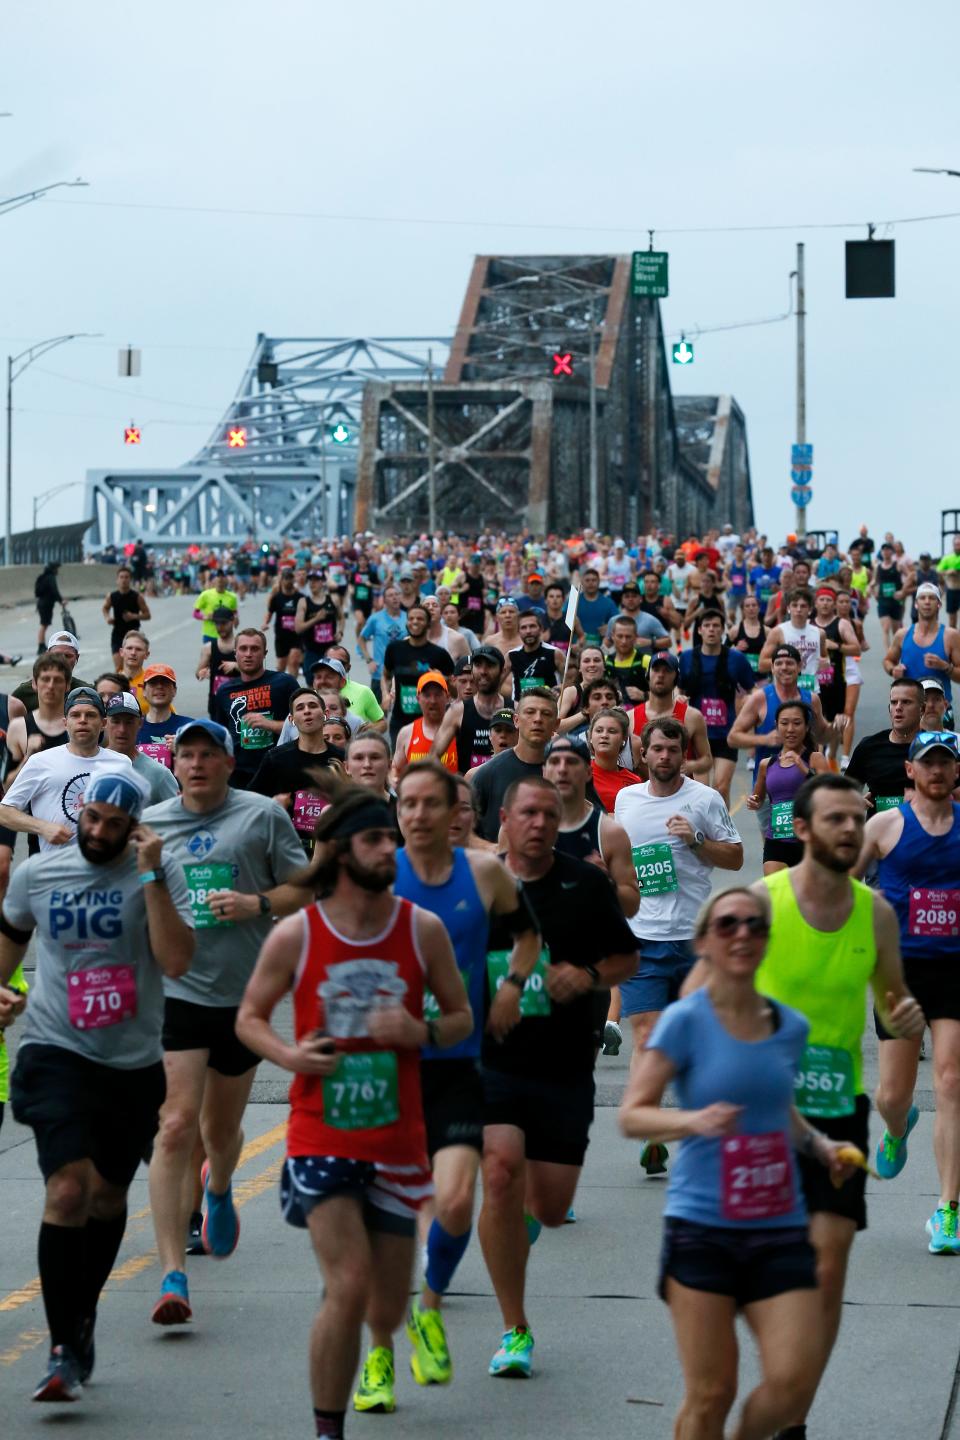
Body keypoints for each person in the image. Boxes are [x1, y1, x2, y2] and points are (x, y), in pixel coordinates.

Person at [235, 781, 471, 1435]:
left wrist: (419, 1032)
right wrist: (290, 1057)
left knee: (384, 1306)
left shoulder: (421, 930)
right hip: (320, 1131)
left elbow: (460, 1019)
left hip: (399, 1138)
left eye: (391, 837)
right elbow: (249, 1019)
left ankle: (360, 1326)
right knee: (350, 1281)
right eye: (375, 838)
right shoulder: (298, 935)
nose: (389, 848)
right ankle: (327, 1428)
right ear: (340, 850)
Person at [620, 887, 853, 1440]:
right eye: (727, 925)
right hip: (703, 1229)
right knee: (711, 1393)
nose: (743, 933)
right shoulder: (684, 1021)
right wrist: (691, 1122)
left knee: (794, 1381)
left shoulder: (790, 1026)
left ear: (767, 941)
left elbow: (776, 1107)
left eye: (754, 925)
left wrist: (818, 1147)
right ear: (703, 942)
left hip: (779, 1229)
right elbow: (632, 1115)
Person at [2, 768, 194, 1402]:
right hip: (56, 1051)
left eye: (115, 825)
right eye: (92, 820)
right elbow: (7, 947)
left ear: (133, 827)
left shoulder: (154, 877)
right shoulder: (38, 875)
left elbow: (176, 961)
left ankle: (79, 1318)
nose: (100, 833)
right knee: (66, 1190)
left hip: (131, 1063)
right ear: (79, 813)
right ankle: (61, 1350)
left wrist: (150, 875)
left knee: (108, 1198)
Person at [145, 719, 309, 1326]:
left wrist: (256, 904)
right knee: (174, 1125)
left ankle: (217, 1188)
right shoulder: (154, 824)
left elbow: (303, 888)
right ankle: (172, 1274)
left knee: (220, 1132)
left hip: (243, 996)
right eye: (185, 754)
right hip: (177, 991)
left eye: (207, 754)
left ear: (226, 761)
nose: (194, 764)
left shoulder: (262, 816)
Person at [478, 776, 638, 1377]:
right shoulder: (476, 881)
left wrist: (589, 974)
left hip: (565, 1063)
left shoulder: (587, 883)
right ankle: (515, 1328)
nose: (541, 823)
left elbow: (628, 958)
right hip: (491, 1060)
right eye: (528, 813)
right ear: (506, 819)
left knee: (547, 1207)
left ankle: (520, 1222)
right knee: (498, 1172)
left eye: (550, 813)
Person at [392, 761, 540, 1389]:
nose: (425, 816)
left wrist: (510, 985)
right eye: (412, 804)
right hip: (384, 1063)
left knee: (454, 1200)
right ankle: (382, 1348)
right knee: (400, 1211)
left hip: (455, 1058)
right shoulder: (377, 872)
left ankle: (427, 1306)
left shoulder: (485, 873)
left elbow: (527, 936)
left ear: (462, 812)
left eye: (440, 805)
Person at [614, 715, 743, 1176]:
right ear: (643, 753)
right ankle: (653, 1131)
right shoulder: (626, 800)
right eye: (657, 749)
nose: (665, 757)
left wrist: (698, 840)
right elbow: (615, 858)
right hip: (643, 939)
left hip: (694, 940)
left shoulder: (704, 800)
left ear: (684, 754)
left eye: (673, 749)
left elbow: (736, 856)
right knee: (647, 1038)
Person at [857, 732, 960, 1251]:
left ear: (957, 771)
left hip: (956, 971)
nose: (938, 771)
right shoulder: (885, 825)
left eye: (947, 763)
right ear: (911, 770)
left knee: (950, 1078)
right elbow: (845, 888)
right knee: (894, 1096)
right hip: (901, 972)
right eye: (929, 763)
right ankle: (898, 1128)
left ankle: (948, 1209)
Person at [0, 688, 135, 853]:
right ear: (65, 723)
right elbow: (4, 812)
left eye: (91, 715)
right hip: (58, 870)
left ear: (103, 724)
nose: (82, 720)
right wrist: (42, 827)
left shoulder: (121, 763)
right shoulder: (41, 762)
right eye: (75, 715)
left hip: (107, 869)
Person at [248, 688, 344, 850]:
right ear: (291, 720)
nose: (307, 711)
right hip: (289, 849)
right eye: (300, 708)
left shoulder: (342, 758)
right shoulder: (276, 758)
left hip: (333, 848)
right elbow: (251, 802)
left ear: (326, 714)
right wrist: (272, 805)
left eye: (312, 706)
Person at [679, 608, 755, 806]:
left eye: (716, 626)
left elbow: (752, 690)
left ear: (723, 631)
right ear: (699, 631)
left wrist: (748, 708)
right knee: (701, 792)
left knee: (721, 788)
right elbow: (678, 689)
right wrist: (678, 697)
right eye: (707, 626)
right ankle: (703, 835)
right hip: (696, 734)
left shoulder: (736, 659)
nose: (711, 630)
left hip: (725, 733)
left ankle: (724, 834)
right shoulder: (687, 658)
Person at [210, 628, 300, 788]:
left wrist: (269, 725)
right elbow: (220, 736)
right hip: (238, 775)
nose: (248, 654)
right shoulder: (224, 691)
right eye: (243, 649)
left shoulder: (284, 683)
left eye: (255, 649)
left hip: (277, 770)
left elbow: (305, 727)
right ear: (235, 653)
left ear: (264, 653)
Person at [747, 701, 830, 873]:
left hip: (808, 840)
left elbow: (829, 793)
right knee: (776, 894)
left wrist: (804, 768)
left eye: (797, 723)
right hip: (776, 840)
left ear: (807, 727)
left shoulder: (815, 759)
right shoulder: (766, 764)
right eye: (784, 723)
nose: (790, 729)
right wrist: (753, 801)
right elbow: (758, 798)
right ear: (777, 727)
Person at [468, 689, 558, 842]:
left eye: (546, 714)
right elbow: (463, 831)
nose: (537, 719)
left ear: (556, 724)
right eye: (530, 712)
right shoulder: (488, 773)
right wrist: (492, 850)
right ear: (516, 720)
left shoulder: (567, 772)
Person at [845, 678, 924, 817]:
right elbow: (844, 792)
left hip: (922, 833)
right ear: (889, 708)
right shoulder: (869, 747)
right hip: (879, 834)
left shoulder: (934, 748)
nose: (898, 707)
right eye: (894, 702)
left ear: (922, 709)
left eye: (906, 702)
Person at [427, 645, 509, 774]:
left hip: (505, 790)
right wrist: (455, 783)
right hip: (470, 791)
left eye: (490, 665)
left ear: (503, 671)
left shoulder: (514, 709)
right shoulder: (457, 711)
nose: (483, 671)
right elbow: (432, 757)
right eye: (478, 665)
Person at [885, 582, 959, 723]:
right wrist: (893, 670)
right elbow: (888, 660)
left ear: (939, 604)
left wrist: (945, 666)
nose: (927, 602)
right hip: (908, 710)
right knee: (907, 746)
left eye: (932, 598)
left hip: (939, 710)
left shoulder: (951, 636)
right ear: (916, 604)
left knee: (939, 746)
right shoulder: (902, 634)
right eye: (922, 598)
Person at [381, 604, 455, 746]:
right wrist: (385, 694)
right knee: (401, 765)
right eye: (411, 618)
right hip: (400, 721)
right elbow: (385, 675)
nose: (415, 622)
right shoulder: (395, 649)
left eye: (420, 619)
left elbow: (457, 692)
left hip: (432, 722)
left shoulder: (439, 654)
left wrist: (444, 680)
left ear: (428, 624)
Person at [104, 692, 181, 806]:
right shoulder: (91, 765)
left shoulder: (159, 774)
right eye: (116, 721)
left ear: (140, 723)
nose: (122, 729)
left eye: (129, 722)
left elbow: (179, 815)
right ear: (105, 723)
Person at [393, 672, 458, 779]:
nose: (433, 701)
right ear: (418, 698)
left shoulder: (459, 731)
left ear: (447, 697)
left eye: (438, 695)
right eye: (427, 695)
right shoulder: (407, 733)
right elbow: (396, 768)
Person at [12, 630, 92, 713]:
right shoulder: (24, 693)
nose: (62, 660)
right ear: (47, 655)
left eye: (68, 656)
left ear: (77, 658)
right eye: (57, 654)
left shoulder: (86, 692)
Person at [136, 664, 196, 769]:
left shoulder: (190, 727)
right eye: (153, 683)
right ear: (144, 691)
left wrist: (184, 750)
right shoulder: (133, 727)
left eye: (165, 683)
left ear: (174, 690)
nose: (159, 687)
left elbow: (205, 765)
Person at [358, 583, 407, 705]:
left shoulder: (408, 617)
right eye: (390, 595)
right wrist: (369, 660)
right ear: (384, 600)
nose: (395, 597)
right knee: (379, 713)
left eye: (397, 594)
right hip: (380, 673)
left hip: (403, 671)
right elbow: (362, 638)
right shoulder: (375, 618)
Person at [588, 707, 641, 813]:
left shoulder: (635, 782)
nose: (604, 735)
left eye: (612, 731)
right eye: (599, 730)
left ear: (624, 739)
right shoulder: (578, 773)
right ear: (590, 737)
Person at [295, 570, 343, 683]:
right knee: (313, 686)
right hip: (312, 652)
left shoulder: (333, 599)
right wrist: (316, 619)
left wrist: (340, 632)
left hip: (330, 651)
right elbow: (298, 628)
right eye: (310, 581)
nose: (312, 583)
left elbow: (341, 618)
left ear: (323, 583)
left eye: (316, 580)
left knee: (333, 685)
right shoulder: (304, 602)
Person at [506, 610, 562, 704]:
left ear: (541, 629)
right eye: (523, 627)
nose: (528, 631)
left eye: (532, 626)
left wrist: (559, 689)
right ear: (518, 631)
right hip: (520, 710)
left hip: (548, 707)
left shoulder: (554, 653)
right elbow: (495, 683)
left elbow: (571, 680)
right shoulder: (511, 655)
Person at [102, 564, 151, 668]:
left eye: (126, 577)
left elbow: (147, 615)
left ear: (130, 580)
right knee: (119, 668)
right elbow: (105, 608)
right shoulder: (112, 596)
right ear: (117, 580)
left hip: (133, 635)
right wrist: (108, 618)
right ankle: (120, 684)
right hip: (117, 635)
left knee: (132, 667)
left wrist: (134, 616)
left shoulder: (137, 597)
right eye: (121, 577)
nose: (124, 580)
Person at [197, 605, 240, 717]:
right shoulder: (208, 648)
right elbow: (198, 673)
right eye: (217, 623)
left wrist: (237, 666)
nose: (220, 627)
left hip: (239, 703)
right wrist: (203, 672)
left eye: (224, 623)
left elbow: (258, 670)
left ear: (232, 621)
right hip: (216, 703)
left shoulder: (242, 646)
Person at [262, 566, 305, 678]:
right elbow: (270, 612)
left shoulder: (300, 598)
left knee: (294, 661)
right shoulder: (276, 598)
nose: (288, 580)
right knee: (281, 666)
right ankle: (281, 685)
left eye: (290, 578)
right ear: (282, 580)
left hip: (296, 636)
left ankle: (292, 689)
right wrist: (265, 623)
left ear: (293, 579)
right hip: (281, 636)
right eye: (286, 578)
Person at [193, 570, 239, 641]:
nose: (220, 579)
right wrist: (205, 617)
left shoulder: (232, 597)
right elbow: (195, 613)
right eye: (218, 576)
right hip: (209, 634)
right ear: (213, 580)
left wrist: (236, 618)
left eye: (222, 577)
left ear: (226, 580)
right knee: (209, 652)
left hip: (226, 634)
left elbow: (234, 612)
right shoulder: (205, 595)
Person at [34, 562, 63, 654]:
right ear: (53, 569)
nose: (57, 570)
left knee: (44, 624)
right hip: (46, 604)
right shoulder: (51, 578)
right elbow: (54, 590)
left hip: (41, 603)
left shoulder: (42, 577)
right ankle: (41, 645)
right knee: (44, 624)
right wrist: (61, 601)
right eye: (56, 569)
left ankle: (41, 644)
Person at [937, 534, 960, 622]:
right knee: (952, 620)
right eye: (956, 544)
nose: (958, 546)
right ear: (953, 545)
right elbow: (938, 570)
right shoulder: (948, 558)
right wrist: (948, 572)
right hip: (951, 590)